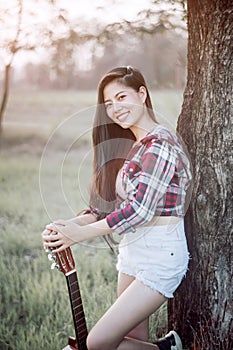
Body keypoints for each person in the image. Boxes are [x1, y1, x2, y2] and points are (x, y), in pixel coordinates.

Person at [42, 66, 192, 350]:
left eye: (121, 97)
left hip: (162, 255)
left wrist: (78, 236)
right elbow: (104, 209)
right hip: (133, 250)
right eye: (109, 104)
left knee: (97, 343)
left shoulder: (160, 144)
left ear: (142, 94)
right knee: (132, 342)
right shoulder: (132, 145)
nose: (115, 108)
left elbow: (139, 211)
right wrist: (65, 227)